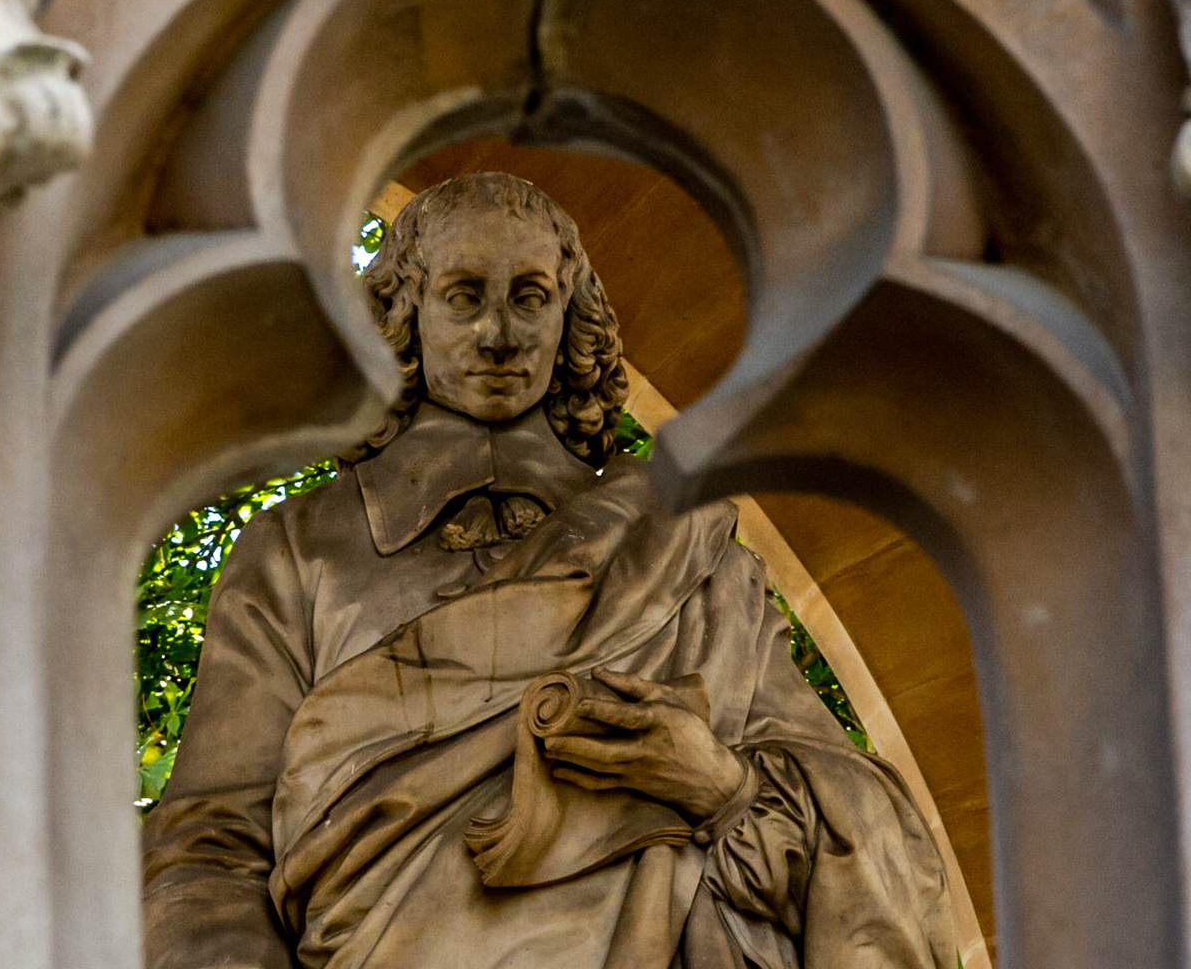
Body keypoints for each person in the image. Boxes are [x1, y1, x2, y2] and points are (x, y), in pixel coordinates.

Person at [142, 172, 956, 969]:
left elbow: (868, 821)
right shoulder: (298, 550)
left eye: (530, 297)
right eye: (465, 296)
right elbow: (209, 845)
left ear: (570, 317)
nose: (501, 334)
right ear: (404, 314)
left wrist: (721, 786)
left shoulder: (681, 552)